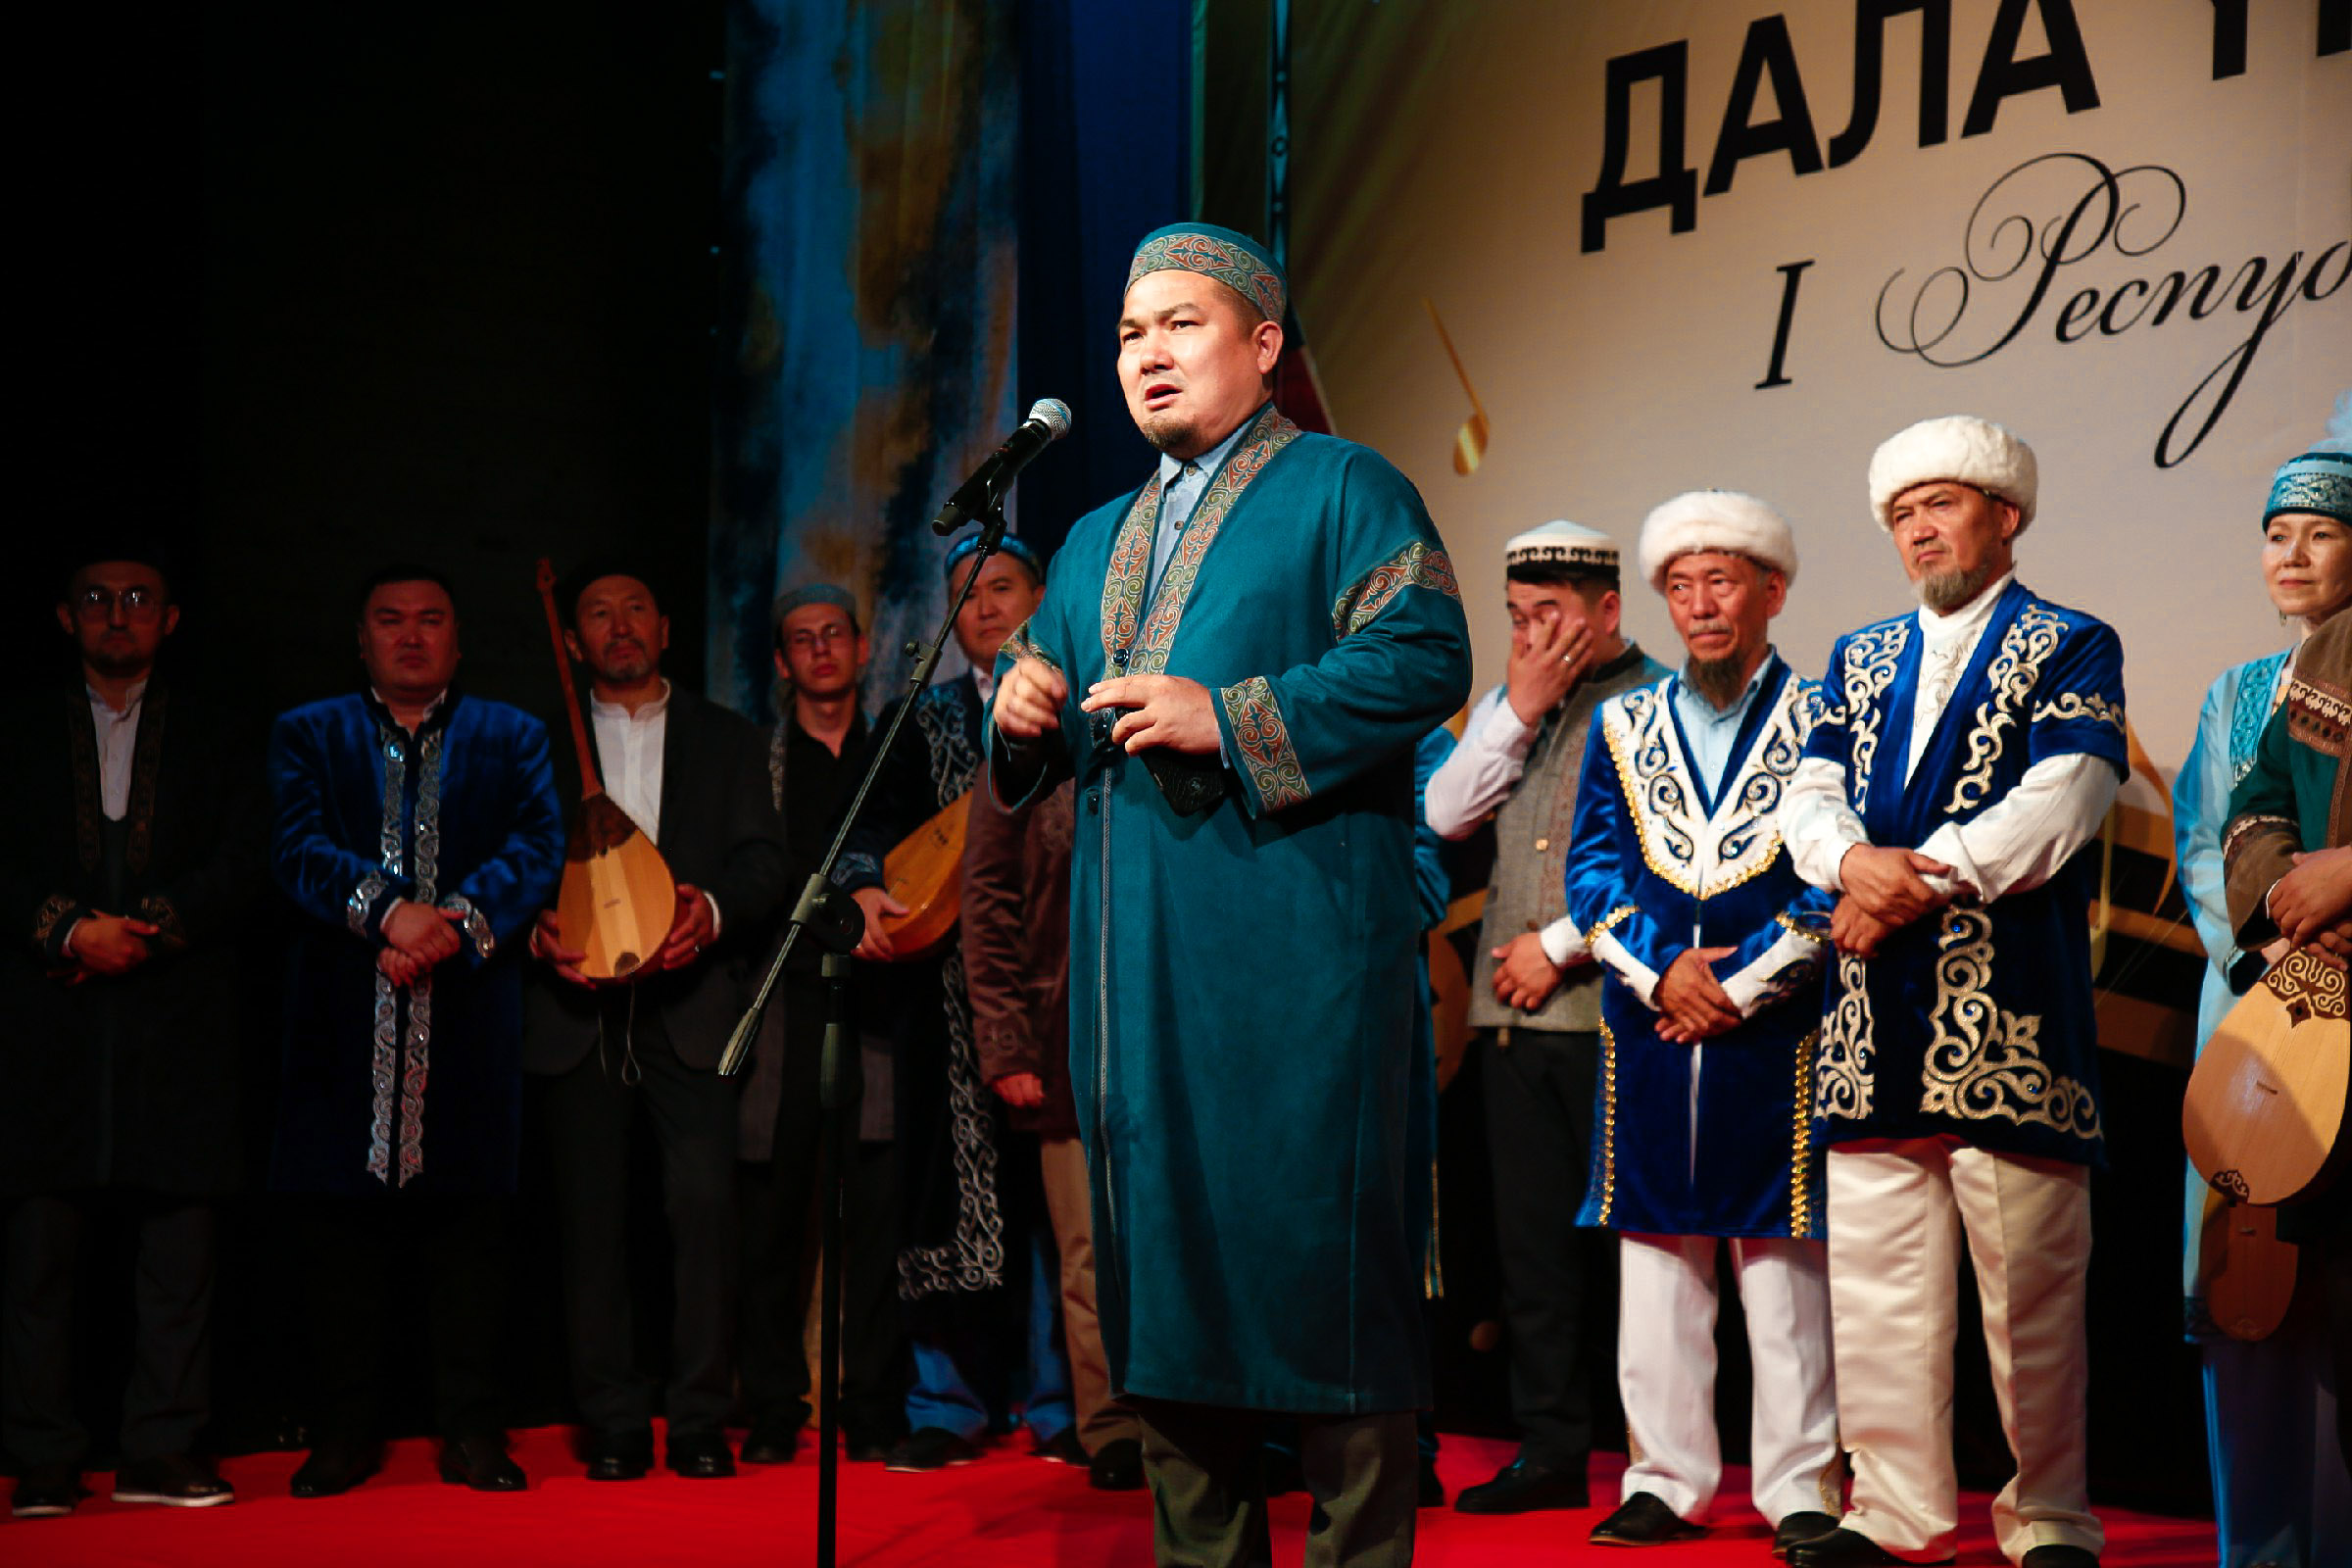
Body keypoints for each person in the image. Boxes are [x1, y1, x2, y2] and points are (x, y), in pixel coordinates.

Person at [990, 220, 1471, 1567]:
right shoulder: (1092, 539)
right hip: (1139, 980)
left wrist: (1235, 714)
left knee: (1326, 1284)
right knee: (1168, 1301)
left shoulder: (1344, 485)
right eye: (1130, 332)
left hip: (1303, 967)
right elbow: (1049, 712)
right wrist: (1020, 712)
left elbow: (1426, 653)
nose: (1147, 352)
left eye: (1180, 324)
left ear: (1262, 347)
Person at [1779, 416, 2124, 1568]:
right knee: (1879, 1287)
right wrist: (1848, 865)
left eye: (1943, 504)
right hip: (1871, 1018)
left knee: (2032, 1292)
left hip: (2007, 1011)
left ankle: (2052, 1516)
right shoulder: (1858, 655)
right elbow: (1808, 796)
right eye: (1902, 513)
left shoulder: (2072, 641)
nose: (1920, 529)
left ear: (2005, 516)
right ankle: (1892, 1511)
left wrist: (1905, 883)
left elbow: (2066, 798)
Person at [1562, 491, 1842, 1553]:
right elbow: (1593, 868)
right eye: (1680, 587)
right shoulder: (1623, 723)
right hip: (1650, 1026)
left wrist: (1745, 981)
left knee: (1783, 1263)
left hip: (1776, 1029)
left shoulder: (1825, 715)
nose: (1700, 606)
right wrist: (1662, 971)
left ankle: (1800, 1485)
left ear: (1773, 590)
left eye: (1721, 582)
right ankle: (1665, 1478)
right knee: (1656, 1260)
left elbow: (1832, 870)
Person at [268, 564, 564, 1497]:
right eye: (390, 620)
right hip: (339, 1020)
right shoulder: (309, 732)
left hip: (470, 1021)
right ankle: (344, 1434)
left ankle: (473, 1433)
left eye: (430, 619)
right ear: (361, 640)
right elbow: (295, 845)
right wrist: (387, 914)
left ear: (457, 641)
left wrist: (451, 927)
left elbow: (538, 846)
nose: (410, 635)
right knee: (339, 1241)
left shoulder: (511, 735)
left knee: (471, 1239)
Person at [1, 542, 265, 1519]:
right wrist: (68, 929)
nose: (119, 614)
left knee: (179, 1252)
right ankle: (42, 1457)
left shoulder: (221, 729)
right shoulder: (16, 727)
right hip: (47, 1017)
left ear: (171, 618)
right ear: (66, 616)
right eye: (99, 598)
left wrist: (145, 931)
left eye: (139, 598)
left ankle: (163, 1448)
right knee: (39, 1255)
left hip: (179, 1014)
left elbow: (251, 855)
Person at [1424, 517, 1666, 1515]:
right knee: (1534, 1257)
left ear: (1607, 610)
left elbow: (1668, 871)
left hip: (1617, 1021)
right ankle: (1551, 1450)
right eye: (1519, 618)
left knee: (1643, 1259)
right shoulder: (1509, 703)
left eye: (1551, 617)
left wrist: (1560, 944)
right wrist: (1518, 709)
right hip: (1513, 1030)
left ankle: (1658, 1464)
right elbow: (1445, 814)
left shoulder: (1659, 700)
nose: (1532, 637)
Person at [524, 566, 788, 1481]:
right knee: (592, 1227)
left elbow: (764, 864)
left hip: (691, 1010)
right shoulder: (538, 743)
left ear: (665, 628)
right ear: (573, 640)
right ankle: (613, 1422)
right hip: (575, 1015)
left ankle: (701, 1418)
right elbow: (513, 858)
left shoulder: (727, 737)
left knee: (703, 1216)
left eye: (636, 608)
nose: (620, 625)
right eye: (598, 613)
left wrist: (710, 912)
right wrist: (533, 925)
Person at [838, 533, 1066, 1471]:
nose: (985, 607)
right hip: (939, 1001)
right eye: (967, 593)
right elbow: (864, 827)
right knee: (945, 1196)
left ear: (1040, 598)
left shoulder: (1080, 705)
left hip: (1059, 987)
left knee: (1059, 1201)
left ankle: (1068, 1402)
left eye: (1002, 586)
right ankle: (949, 1400)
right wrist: (862, 887)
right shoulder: (917, 718)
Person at [2174, 443, 2352, 1567]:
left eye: (2322, 532)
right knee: (2249, 1280)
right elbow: (2209, 843)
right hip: (2255, 1005)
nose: (2293, 554)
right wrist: (2281, 947)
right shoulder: (2238, 693)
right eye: (2277, 533)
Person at [735, 582, 909, 1464]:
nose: (820, 650)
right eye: (801, 639)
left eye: (834, 634)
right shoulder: (759, 760)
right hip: (785, 1007)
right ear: (782, 661)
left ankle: (871, 1405)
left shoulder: (894, 748)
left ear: (862, 647)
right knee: (772, 1219)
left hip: (878, 1004)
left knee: (874, 1218)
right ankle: (774, 1404)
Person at [961, 745, 1147, 1491]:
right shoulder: (1025, 743)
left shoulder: (1179, 712)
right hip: (1066, 1029)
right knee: (1088, 1251)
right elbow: (988, 897)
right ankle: (1113, 1427)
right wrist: (1006, 1041)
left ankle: (1198, 1420)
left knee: (1181, 1240)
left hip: (1173, 1029)